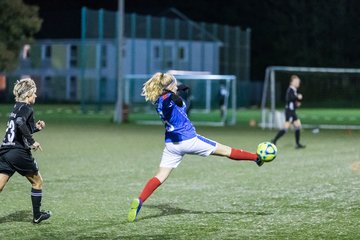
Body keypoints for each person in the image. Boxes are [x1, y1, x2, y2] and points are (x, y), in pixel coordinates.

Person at [127, 72, 267, 222]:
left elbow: (169, 95)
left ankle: (140, 200)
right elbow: (177, 102)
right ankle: (256, 158)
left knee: (160, 176)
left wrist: (178, 88)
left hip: (171, 145)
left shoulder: (158, 100)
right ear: (169, 87)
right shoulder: (168, 99)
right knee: (226, 150)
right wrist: (176, 95)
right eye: (175, 83)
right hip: (189, 140)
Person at [0, 78, 52, 224]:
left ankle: (37, 215)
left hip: (5, 150)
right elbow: (20, 123)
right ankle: (37, 216)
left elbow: (20, 127)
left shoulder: (16, 107)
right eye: (34, 93)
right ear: (28, 94)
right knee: (38, 182)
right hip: (18, 152)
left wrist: (36, 128)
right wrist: (32, 141)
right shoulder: (27, 108)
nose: (35, 96)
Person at [271, 75, 305, 149]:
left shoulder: (294, 90)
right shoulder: (290, 89)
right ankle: (274, 140)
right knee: (286, 127)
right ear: (291, 82)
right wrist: (297, 97)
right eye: (296, 81)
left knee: (298, 126)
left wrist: (297, 104)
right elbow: (289, 99)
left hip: (292, 111)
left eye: (298, 81)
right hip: (289, 111)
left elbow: (292, 102)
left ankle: (298, 144)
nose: (298, 83)